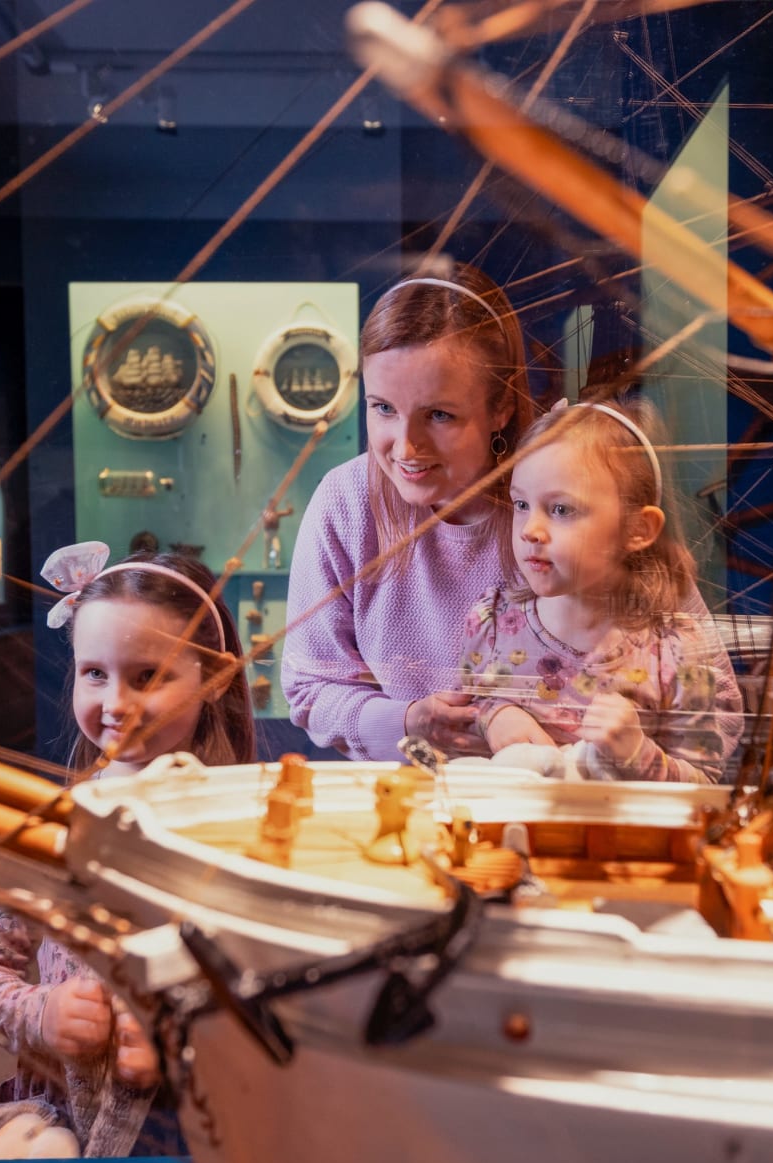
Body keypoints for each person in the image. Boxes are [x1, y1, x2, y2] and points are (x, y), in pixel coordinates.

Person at [0, 544, 253, 1157]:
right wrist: (42, 1013)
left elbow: (290, 995)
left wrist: (183, 1041)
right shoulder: (55, 825)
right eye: (95, 673)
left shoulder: (247, 826)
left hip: (206, 1125)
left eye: (148, 676)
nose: (115, 704)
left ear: (214, 678)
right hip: (68, 1119)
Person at [284, 264, 537, 760]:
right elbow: (310, 687)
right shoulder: (346, 501)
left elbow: (698, 686)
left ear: (502, 406)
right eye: (382, 408)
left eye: (439, 415)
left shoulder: (566, 494)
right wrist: (408, 722)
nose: (405, 446)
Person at [461, 398, 741, 783]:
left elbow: (705, 785)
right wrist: (493, 716)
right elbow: (466, 717)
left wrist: (637, 755)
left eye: (561, 509)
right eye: (522, 504)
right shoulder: (491, 624)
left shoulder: (679, 654)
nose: (529, 529)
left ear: (637, 530)